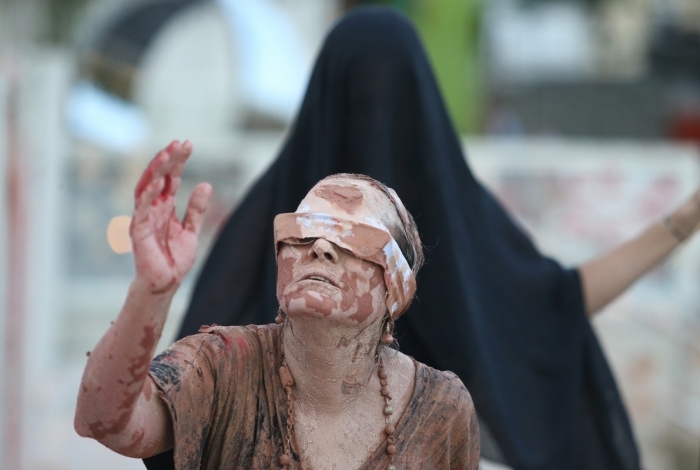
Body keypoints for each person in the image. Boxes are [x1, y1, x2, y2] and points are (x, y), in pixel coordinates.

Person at [164, 7, 700, 470]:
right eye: (356, 99)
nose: (373, 123)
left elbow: (553, 306)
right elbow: (180, 401)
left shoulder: (453, 216)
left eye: (392, 101)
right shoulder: (276, 225)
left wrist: (685, 219)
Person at [74, 140, 481, 469]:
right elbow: (102, 421)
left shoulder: (442, 409)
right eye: (301, 232)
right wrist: (150, 292)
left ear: (397, 288)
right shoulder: (220, 366)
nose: (320, 247)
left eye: (354, 238)